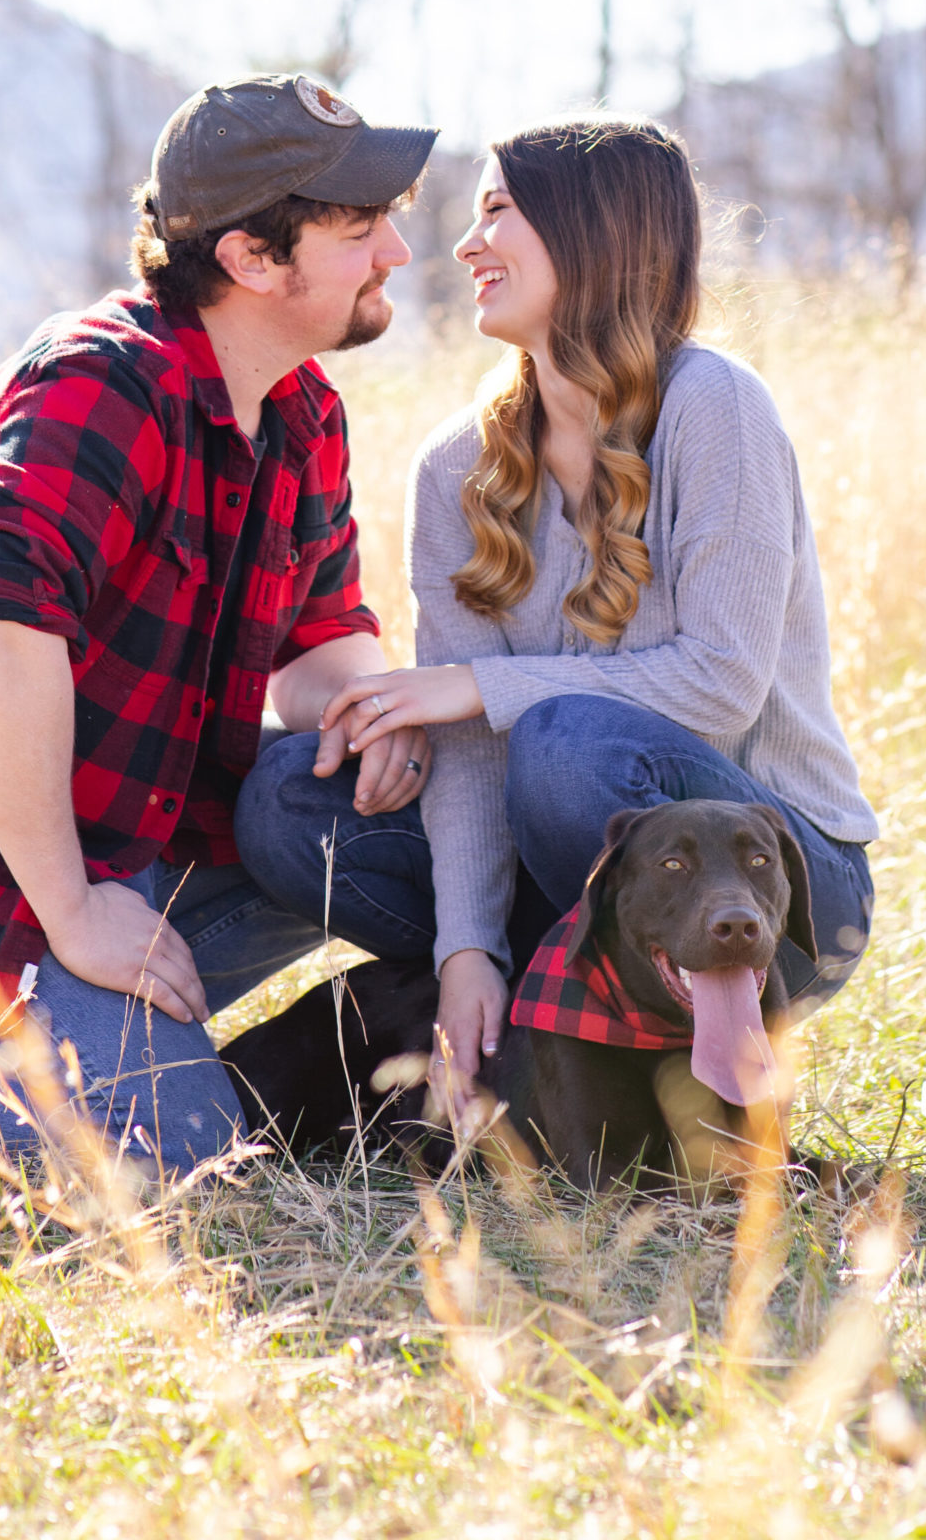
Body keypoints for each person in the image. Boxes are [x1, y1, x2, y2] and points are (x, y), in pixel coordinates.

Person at [0, 71, 439, 1176]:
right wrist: (70, 907)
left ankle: (130, 1041)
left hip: (119, 829)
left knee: (371, 817)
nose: (396, 251)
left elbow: (319, 637)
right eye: (360, 226)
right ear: (253, 259)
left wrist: (375, 709)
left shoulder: (303, 410)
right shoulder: (99, 382)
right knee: (170, 1156)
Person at [234, 115, 877, 1097]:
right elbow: (472, 754)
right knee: (285, 796)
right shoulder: (459, 464)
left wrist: (474, 685)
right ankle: (530, 993)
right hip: (584, 874)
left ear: (592, 230)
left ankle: (663, 1038)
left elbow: (720, 685)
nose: (464, 244)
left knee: (566, 744)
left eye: (496, 210)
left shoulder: (713, 407)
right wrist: (464, 953)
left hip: (772, 887)